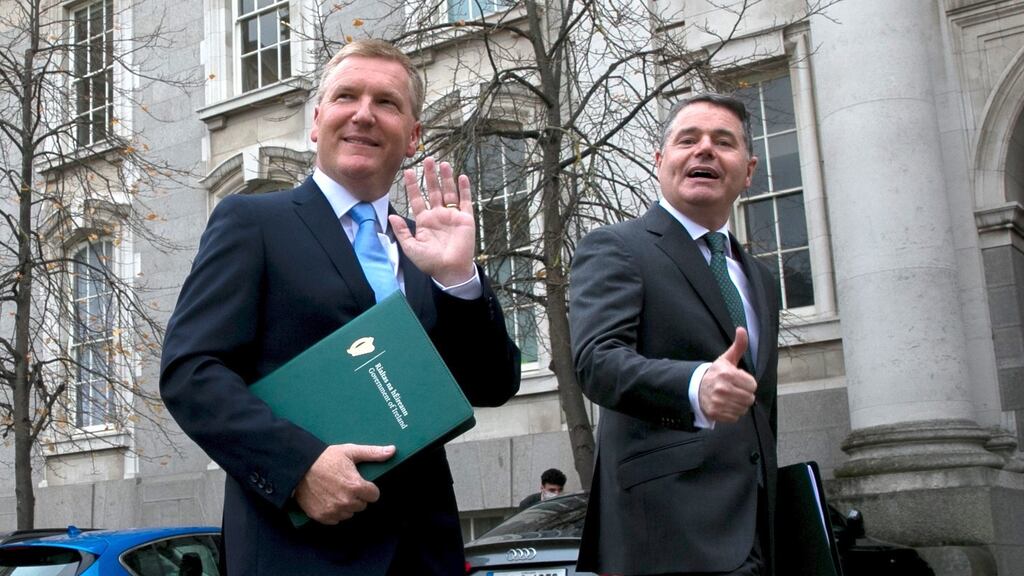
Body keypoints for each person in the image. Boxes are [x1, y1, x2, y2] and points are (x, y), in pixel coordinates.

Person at [159, 39, 521, 576]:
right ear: (317, 120)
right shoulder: (252, 223)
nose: (364, 114)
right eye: (347, 96)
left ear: (414, 135)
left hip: (423, 552)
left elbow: (492, 385)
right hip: (296, 551)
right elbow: (191, 372)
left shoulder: (431, 246)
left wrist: (459, 280)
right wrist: (299, 466)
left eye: (387, 102)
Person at [569, 93, 780, 576]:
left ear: (748, 171)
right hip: (662, 534)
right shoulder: (617, 247)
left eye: (723, 141)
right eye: (688, 140)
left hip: (754, 535)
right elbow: (597, 362)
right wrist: (695, 385)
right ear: (660, 160)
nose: (704, 149)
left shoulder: (760, 279)